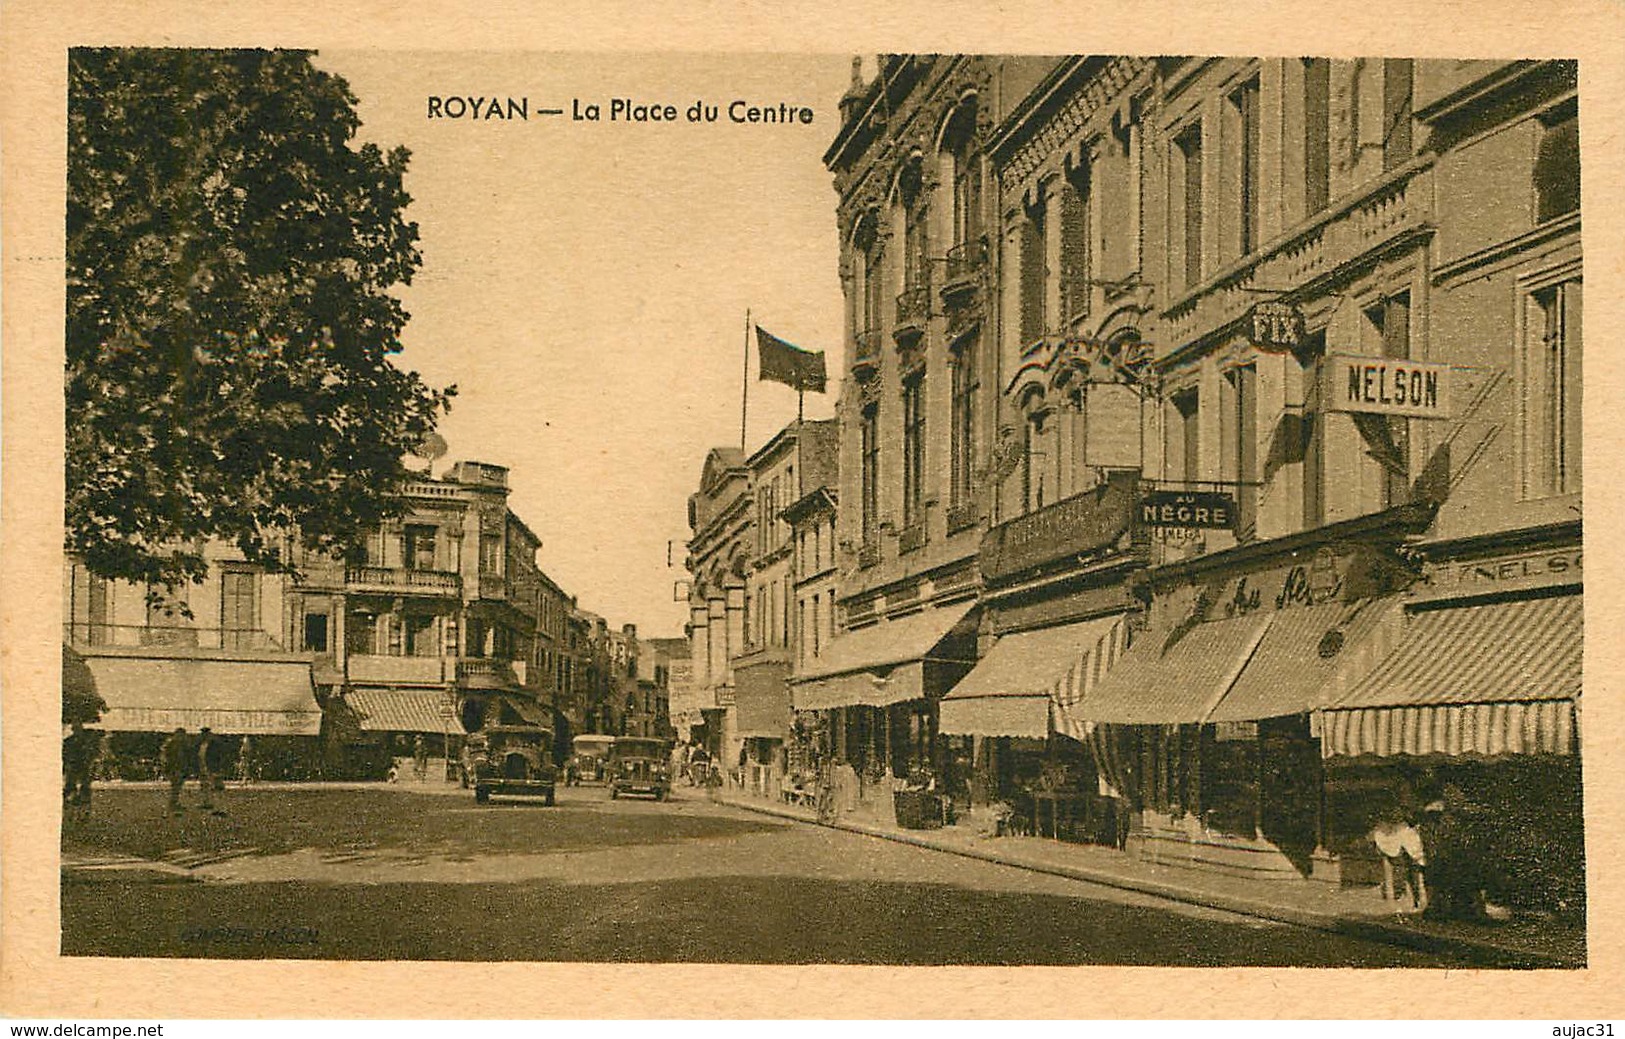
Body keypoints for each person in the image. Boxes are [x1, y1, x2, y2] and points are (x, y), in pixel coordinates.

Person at [62, 722, 98, 811]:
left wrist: (90, 762)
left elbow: (91, 753)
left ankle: (84, 800)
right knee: (71, 783)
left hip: (83, 765)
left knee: (84, 783)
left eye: (79, 729)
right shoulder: (69, 741)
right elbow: (65, 754)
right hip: (73, 765)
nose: (78, 731)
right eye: (76, 729)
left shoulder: (86, 741)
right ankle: (69, 799)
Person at [160, 727, 190, 812]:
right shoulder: (175, 744)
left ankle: (174, 803)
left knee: (176, 786)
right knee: (176, 786)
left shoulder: (173, 743)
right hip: (175, 768)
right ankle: (173, 803)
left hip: (175, 767)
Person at [196, 726, 225, 814]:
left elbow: (216, 757)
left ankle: (218, 808)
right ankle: (206, 802)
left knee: (215, 788)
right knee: (205, 786)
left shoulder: (214, 744)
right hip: (204, 768)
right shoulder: (203, 744)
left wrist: (217, 768)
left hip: (212, 768)